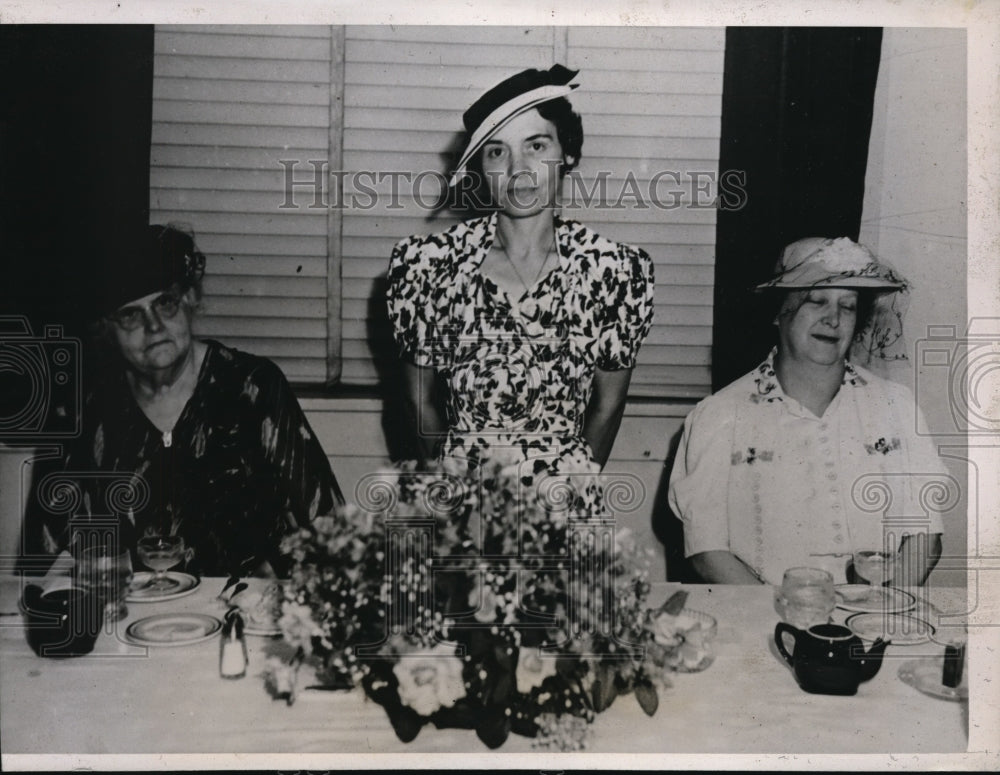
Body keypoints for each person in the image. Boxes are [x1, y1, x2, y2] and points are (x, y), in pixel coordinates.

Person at [386, 65, 654, 485]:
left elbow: (608, 406)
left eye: (536, 145)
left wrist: (569, 489)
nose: (517, 169)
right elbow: (419, 403)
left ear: (566, 152)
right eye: (497, 151)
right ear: (480, 168)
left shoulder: (614, 270)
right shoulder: (428, 265)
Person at [30, 224, 343, 577]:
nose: (154, 327)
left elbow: (330, 530)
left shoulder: (254, 387)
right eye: (131, 314)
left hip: (241, 614)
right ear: (106, 328)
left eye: (165, 303)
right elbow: (41, 554)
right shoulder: (82, 408)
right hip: (126, 616)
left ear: (191, 299)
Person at [668, 237, 946, 586]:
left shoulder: (897, 406)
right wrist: (785, 615)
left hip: (874, 624)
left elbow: (924, 535)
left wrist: (882, 615)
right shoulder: (718, 415)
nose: (834, 319)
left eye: (848, 307)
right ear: (777, 312)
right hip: (766, 626)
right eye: (817, 301)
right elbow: (707, 553)